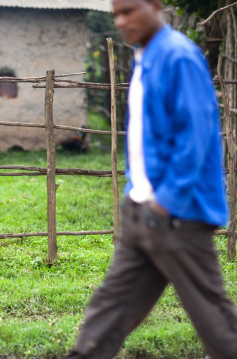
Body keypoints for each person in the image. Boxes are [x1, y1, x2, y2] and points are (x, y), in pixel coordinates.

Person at [65, 0, 237, 358]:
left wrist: (167, 201)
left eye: (129, 10)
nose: (121, 20)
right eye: (115, 13)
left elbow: (197, 134)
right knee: (111, 305)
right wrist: (137, 196)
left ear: (155, 6)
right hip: (141, 209)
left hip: (178, 215)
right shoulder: (146, 55)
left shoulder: (178, 56)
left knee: (213, 317)